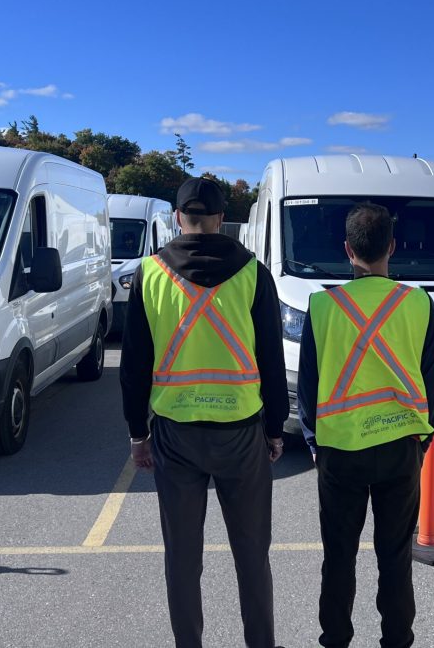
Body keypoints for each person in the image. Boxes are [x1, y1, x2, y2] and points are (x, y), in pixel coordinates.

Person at [119, 177, 289, 648]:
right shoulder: (254, 273)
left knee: (182, 559)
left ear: (178, 217)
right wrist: (275, 429)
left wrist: (137, 433)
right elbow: (271, 361)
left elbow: (133, 365)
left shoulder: (150, 274)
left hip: (175, 434)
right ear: (221, 221)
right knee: (252, 556)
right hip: (241, 433)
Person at [297, 202, 434, 648]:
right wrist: (422, 441)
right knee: (395, 559)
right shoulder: (419, 302)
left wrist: (315, 444)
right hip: (401, 447)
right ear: (392, 247)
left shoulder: (322, 306)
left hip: (340, 452)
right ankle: (397, 640)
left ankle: (335, 639)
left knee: (338, 557)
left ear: (347, 250)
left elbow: (308, 388)